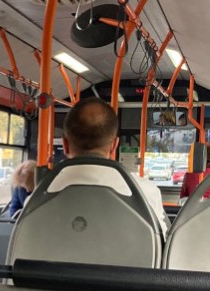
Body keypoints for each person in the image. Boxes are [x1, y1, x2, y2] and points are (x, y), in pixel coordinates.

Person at [62, 97, 169, 237]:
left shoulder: (42, 195)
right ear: (114, 145)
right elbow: (162, 245)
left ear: (65, 144)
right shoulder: (144, 193)